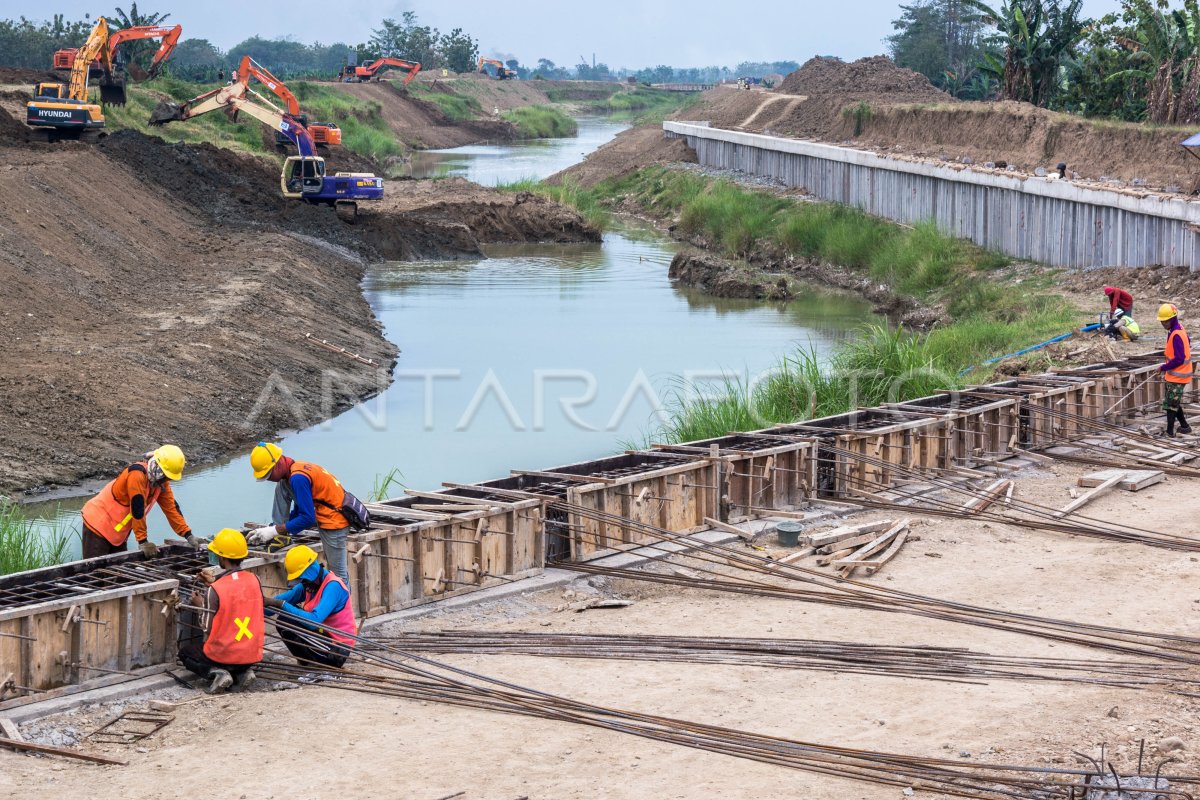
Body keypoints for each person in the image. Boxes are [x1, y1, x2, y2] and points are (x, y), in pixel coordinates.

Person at [246, 442, 354, 583]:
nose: (269, 480)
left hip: (334, 521)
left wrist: (275, 530)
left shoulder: (298, 478)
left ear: (277, 464)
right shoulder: (293, 472)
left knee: (338, 575)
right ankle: (281, 536)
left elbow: (308, 518)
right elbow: (300, 510)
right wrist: (272, 529)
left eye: (268, 474)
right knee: (282, 485)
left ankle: (344, 605)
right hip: (324, 512)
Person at [178, 529, 264, 693]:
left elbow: (206, 627)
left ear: (223, 557)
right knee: (237, 656)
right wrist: (213, 582)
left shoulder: (215, 590)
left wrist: (200, 604)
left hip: (224, 656)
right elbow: (235, 589)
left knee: (186, 653)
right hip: (251, 655)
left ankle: (218, 673)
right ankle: (243, 672)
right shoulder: (255, 580)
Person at [80, 445, 201, 560]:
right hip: (99, 524)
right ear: (157, 466)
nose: (166, 480)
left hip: (118, 532)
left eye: (168, 477)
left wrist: (188, 534)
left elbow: (172, 508)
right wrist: (143, 541)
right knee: (94, 572)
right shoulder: (136, 474)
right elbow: (137, 508)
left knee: (118, 572)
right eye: (165, 476)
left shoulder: (160, 482)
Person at [265, 545, 356, 668]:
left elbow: (314, 622)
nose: (302, 583)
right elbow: (275, 605)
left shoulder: (333, 586)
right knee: (284, 619)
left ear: (310, 572)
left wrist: (281, 604)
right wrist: (259, 604)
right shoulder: (309, 585)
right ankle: (307, 663)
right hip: (323, 638)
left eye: (303, 579)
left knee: (287, 619)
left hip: (337, 649)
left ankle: (317, 665)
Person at [1158, 303, 1194, 437]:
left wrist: (1163, 367)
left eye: (1165, 321)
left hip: (1179, 375)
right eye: (1162, 322)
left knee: (1171, 405)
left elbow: (1179, 359)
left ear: (1172, 319)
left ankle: (1169, 433)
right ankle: (1185, 426)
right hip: (1175, 374)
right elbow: (1188, 342)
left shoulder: (1177, 334)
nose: (1163, 324)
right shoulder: (1177, 329)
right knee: (1173, 401)